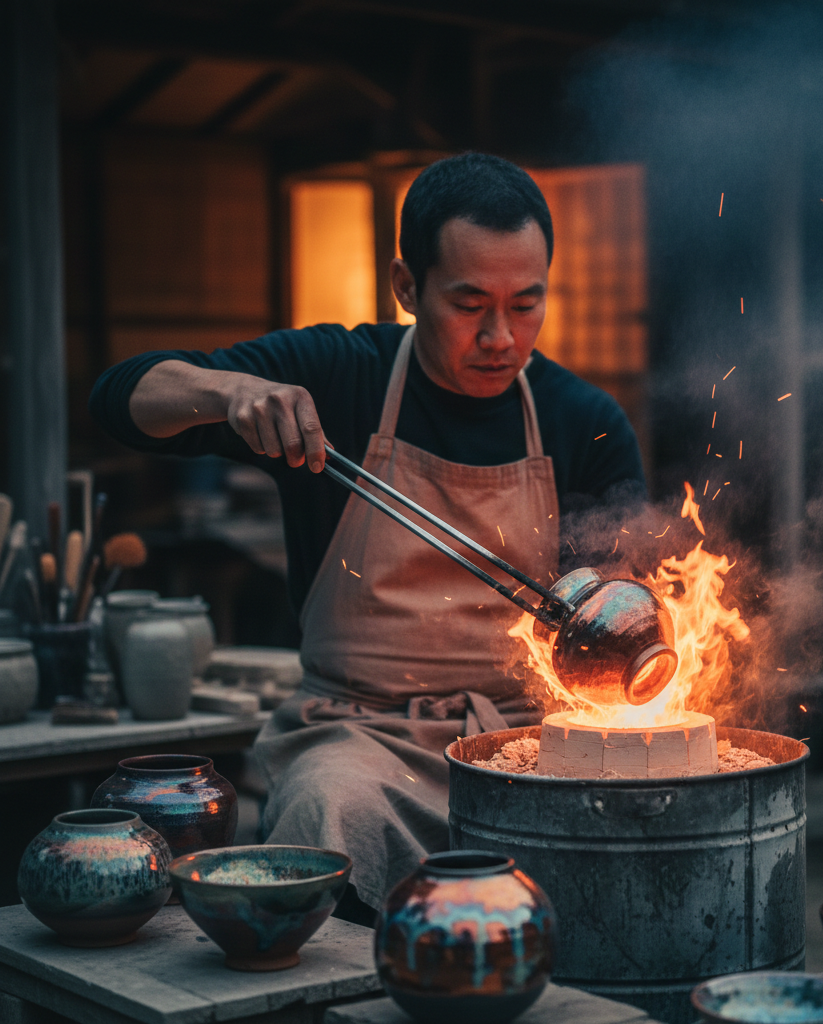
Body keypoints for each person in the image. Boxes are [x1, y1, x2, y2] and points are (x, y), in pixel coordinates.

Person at [90, 152, 645, 921]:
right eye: (469, 303)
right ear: (407, 287)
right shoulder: (336, 375)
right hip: (361, 737)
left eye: (526, 304)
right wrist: (230, 391)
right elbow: (119, 397)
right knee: (329, 809)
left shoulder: (583, 421)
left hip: (524, 740)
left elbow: (618, 613)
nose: (500, 336)